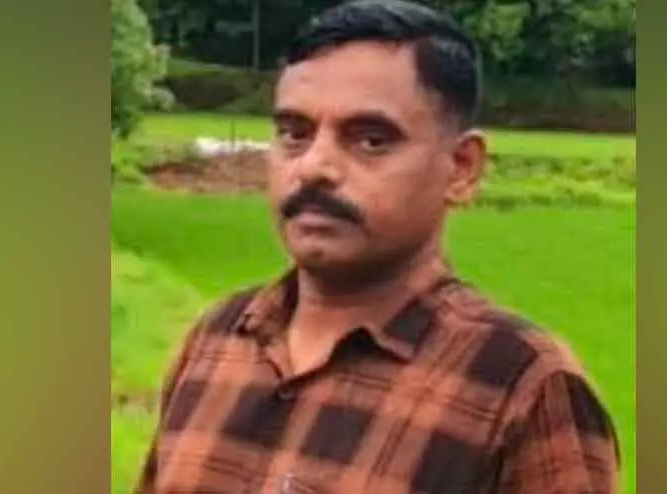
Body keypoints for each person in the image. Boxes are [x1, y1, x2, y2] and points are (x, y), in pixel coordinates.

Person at [137, 1, 620, 492]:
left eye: (371, 140)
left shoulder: (522, 387)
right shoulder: (218, 339)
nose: (314, 167)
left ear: (461, 168)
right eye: (294, 134)